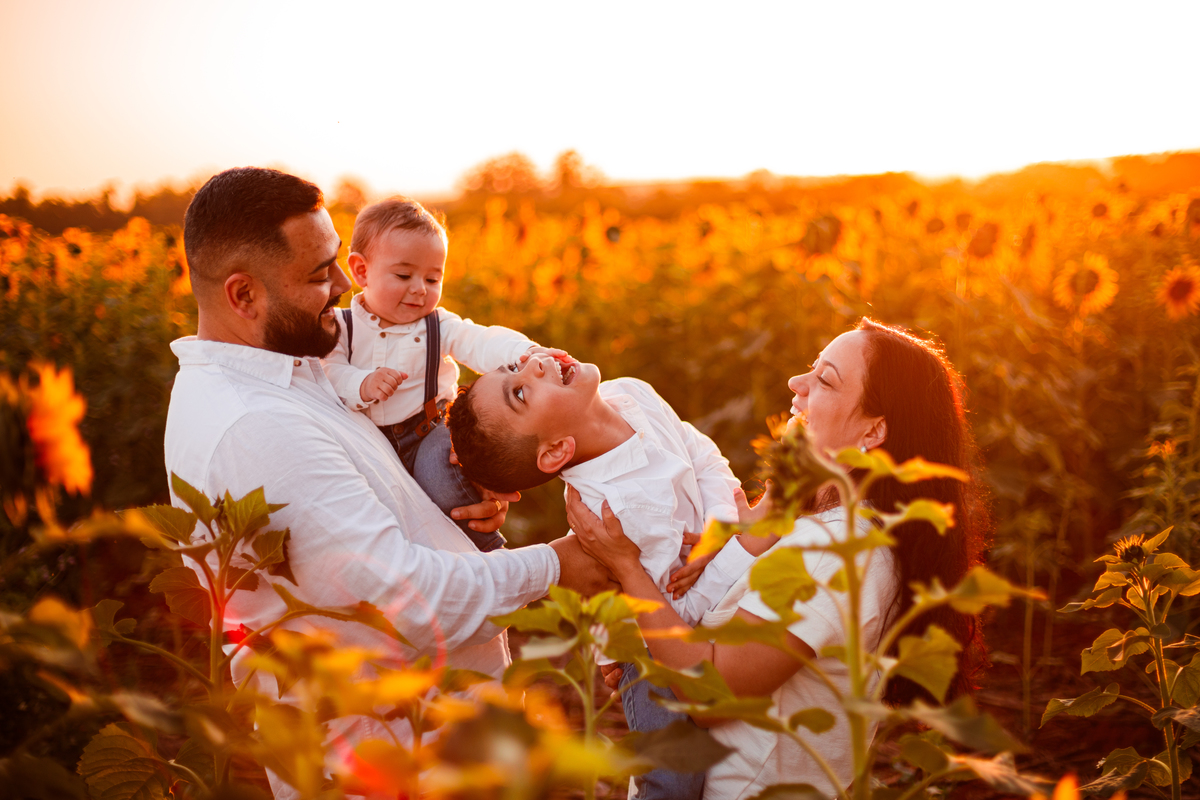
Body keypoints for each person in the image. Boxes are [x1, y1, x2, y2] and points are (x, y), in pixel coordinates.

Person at [164, 167, 612, 799]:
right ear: (244, 295)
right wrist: (556, 566)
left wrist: (454, 502)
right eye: (321, 272)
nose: (346, 284)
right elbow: (405, 601)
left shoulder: (294, 374)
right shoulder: (255, 425)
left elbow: (372, 517)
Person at [566, 319, 990, 800]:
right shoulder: (821, 521)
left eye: (826, 379)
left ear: (873, 430)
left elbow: (711, 695)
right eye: (812, 368)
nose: (798, 383)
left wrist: (627, 570)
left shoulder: (833, 555)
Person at [447, 355, 779, 800]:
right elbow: (675, 603)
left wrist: (721, 526)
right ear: (555, 451)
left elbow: (701, 452)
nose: (535, 365)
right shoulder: (618, 513)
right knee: (674, 781)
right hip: (652, 644)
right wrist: (739, 552)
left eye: (514, 367)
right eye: (520, 392)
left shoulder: (630, 392)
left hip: (702, 602)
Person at [321, 197, 568, 550]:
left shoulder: (438, 325)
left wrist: (523, 353)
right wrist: (361, 383)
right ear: (361, 271)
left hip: (429, 432)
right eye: (404, 275)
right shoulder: (343, 327)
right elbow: (329, 371)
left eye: (433, 278)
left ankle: (487, 552)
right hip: (368, 442)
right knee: (374, 511)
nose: (420, 288)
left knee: (443, 481)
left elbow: (480, 340)